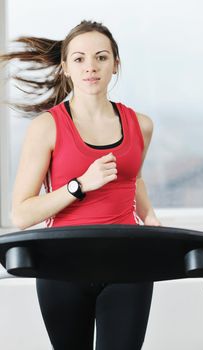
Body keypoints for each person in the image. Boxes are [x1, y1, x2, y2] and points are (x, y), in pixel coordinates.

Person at [1, 20, 161, 350]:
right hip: (62, 266)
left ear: (116, 64)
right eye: (79, 59)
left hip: (127, 263)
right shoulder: (47, 127)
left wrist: (150, 217)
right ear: (65, 67)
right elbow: (21, 214)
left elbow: (134, 179)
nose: (91, 67)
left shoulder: (141, 125)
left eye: (101, 57)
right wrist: (79, 185)